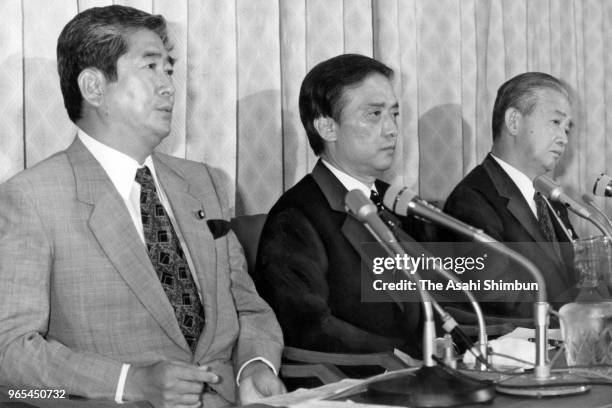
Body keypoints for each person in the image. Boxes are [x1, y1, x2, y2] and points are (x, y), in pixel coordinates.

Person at [0, 5, 284, 408]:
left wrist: (255, 367)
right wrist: (128, 383)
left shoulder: (204, 182)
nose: (170, 86)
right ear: (95, 88)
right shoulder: (31, 198)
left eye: (169, 69)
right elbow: (9, 350)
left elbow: (246, 306)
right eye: (151, 68)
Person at [254, 54, 426, 359]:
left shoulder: (398, 201)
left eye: (395, 114)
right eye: (374, 114)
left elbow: (440, 294)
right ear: (327, 127)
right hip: (358, 382)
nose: (391, 129)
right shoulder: (295, 217)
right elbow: (310, 327)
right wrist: (400, 356)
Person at [442, 72, 578, 322]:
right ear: (514, 121)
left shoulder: (550, 198)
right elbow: (500, 300)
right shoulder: (472, 200)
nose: (563, 138)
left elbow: (577, 276)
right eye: (556, 122)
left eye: (567, 128)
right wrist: (580, 317)